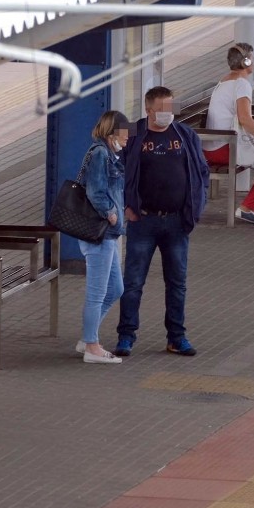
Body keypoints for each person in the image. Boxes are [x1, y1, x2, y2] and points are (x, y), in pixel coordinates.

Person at [114, 86, 210, 357]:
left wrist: (195, 208)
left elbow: (201, 172)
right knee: (133, 282)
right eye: (163, 109)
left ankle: (177, 337)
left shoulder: (185, 134)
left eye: (171, 108)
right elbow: (114, 168)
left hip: (177, 223)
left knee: (177, 283)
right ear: (148, 110)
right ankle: (126, 336)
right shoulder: (131, 131)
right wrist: (127, 206)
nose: (169, 114)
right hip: (143, 222)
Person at [203, 42, 254, 225]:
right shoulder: (241, 84)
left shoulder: (225, 81)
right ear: (247, 62)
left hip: (215, 144)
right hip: (224, 147)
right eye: (253, 60)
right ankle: (247, 208)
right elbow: (245, 119)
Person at [75, 110, 130, 364]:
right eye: (124, 132)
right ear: (111, 134)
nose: (128, 137)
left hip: (109, 234)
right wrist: (111, 214)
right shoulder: (100, 154)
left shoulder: (110, 154)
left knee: (116, 288)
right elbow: (96, 191)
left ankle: (88, 337)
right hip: (99, 233)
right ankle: (92, 347)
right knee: (96, 294)